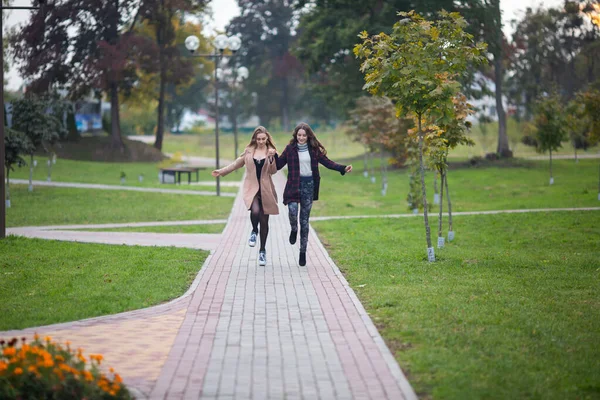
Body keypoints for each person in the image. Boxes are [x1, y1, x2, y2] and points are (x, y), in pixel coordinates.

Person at [275, 122, 352, 266]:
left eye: (304, 135)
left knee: (304, 221)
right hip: (293, 185)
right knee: (292, 212)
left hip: (308, 186)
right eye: (299, 135)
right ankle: (293, 228)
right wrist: (271, 156)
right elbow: (278, 165)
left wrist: (343, 168)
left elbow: (328, 163)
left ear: (308, 136)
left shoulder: (314, 150)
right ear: (295, 135)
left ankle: (302, 252)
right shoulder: (290, 149)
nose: (301, 138)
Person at [212, 126, 279, 266]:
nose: (261, 141)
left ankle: (262, 251)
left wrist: (272, 158)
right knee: (255, 211)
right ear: (255, 138)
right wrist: (222, 171)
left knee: (265, 221)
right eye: (258, 139)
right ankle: (254, 230)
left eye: (263, 139)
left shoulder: (271, 152)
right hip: (252, 188)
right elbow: (236, 164)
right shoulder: (249, 152)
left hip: (266, 190)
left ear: (267, 139)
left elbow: (273, 171)